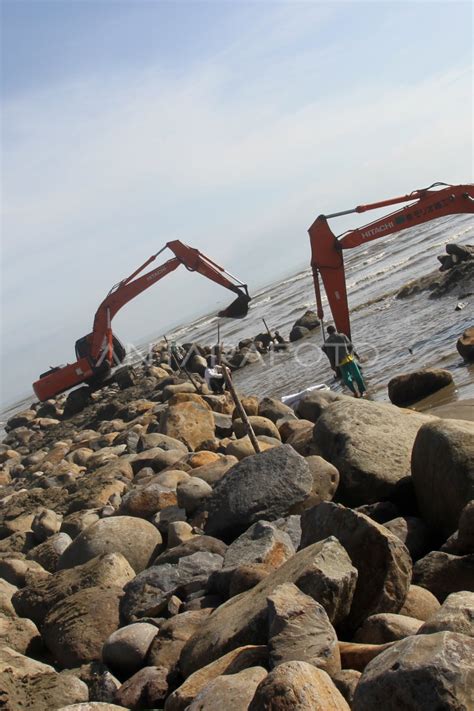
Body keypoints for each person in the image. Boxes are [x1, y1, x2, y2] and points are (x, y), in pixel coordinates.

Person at [322, 325, 366, 397]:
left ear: (328, 333)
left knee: (347, 380)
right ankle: (362, 391)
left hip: (340, 363)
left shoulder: (327, 342)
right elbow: (351, 346)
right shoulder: (342, 335)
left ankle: (354, 392)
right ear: (335, 330)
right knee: (357, 376)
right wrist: (354, 355)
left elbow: (331, 356)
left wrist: (333, 366)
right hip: (349, 359)